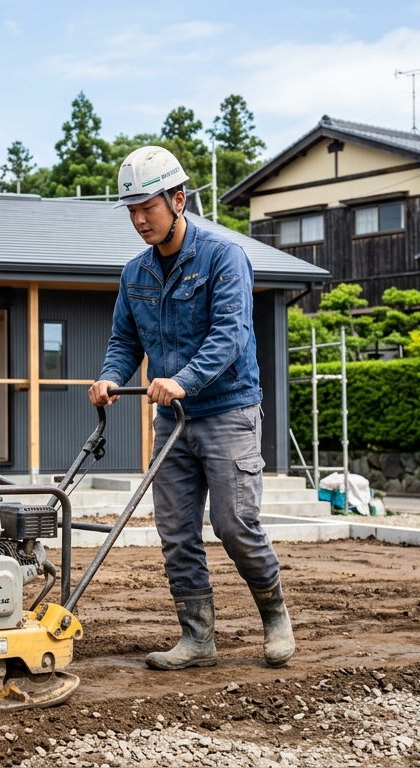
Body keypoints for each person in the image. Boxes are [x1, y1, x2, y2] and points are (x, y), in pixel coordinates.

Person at [89, 145, 294, 669]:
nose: (138, 220)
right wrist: (111, 379)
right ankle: (197, 638)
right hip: (172, 422)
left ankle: (275, 617)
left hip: (227, 411)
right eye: (131, 211)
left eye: (147, 208)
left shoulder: (223, 258)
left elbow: (230, 336)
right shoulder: (134, 274)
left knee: (234, 525)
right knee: (176, 532)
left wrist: (181, 380)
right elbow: (123, 342)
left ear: (178, 200)